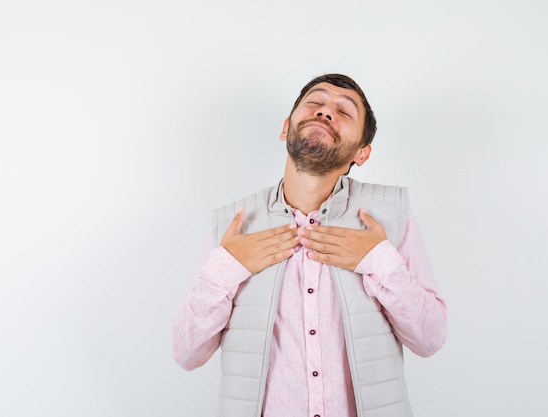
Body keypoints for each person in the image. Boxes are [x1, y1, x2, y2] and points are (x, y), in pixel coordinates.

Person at [171, 73, 447, 417]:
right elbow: (186, 354)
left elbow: (430, 339)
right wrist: (228, 265)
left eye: (344, 112)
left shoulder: (390, 217)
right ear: (286, 127)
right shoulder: (232, 226)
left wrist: (379, 261)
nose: (326, 111)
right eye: (315, 103)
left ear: (362, 153)